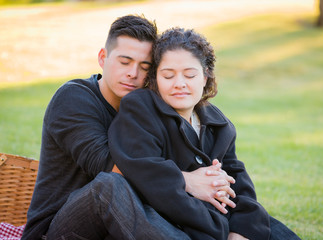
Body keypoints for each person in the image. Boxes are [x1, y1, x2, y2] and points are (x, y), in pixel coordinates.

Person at [22, 15, 235, 240]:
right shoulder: (73, 99)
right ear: (103, 58)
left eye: (144, 67)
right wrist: (187, 180)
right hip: (59, 229)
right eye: (124, 62)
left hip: (123, 226)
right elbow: (109, 166)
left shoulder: (149, 109)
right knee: (109, 186)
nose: (133, 74)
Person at [108, 28, 302, 240]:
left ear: (205, 76)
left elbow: (238, 184)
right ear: (155, 77)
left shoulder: (218, 124)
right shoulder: (140, 108)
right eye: (168, 75)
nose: (179, 84)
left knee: (269, 229)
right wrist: (217, 224)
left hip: (221, 221)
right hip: (173, 225)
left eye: (190, 75)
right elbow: (145, 172)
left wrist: (241, 231)